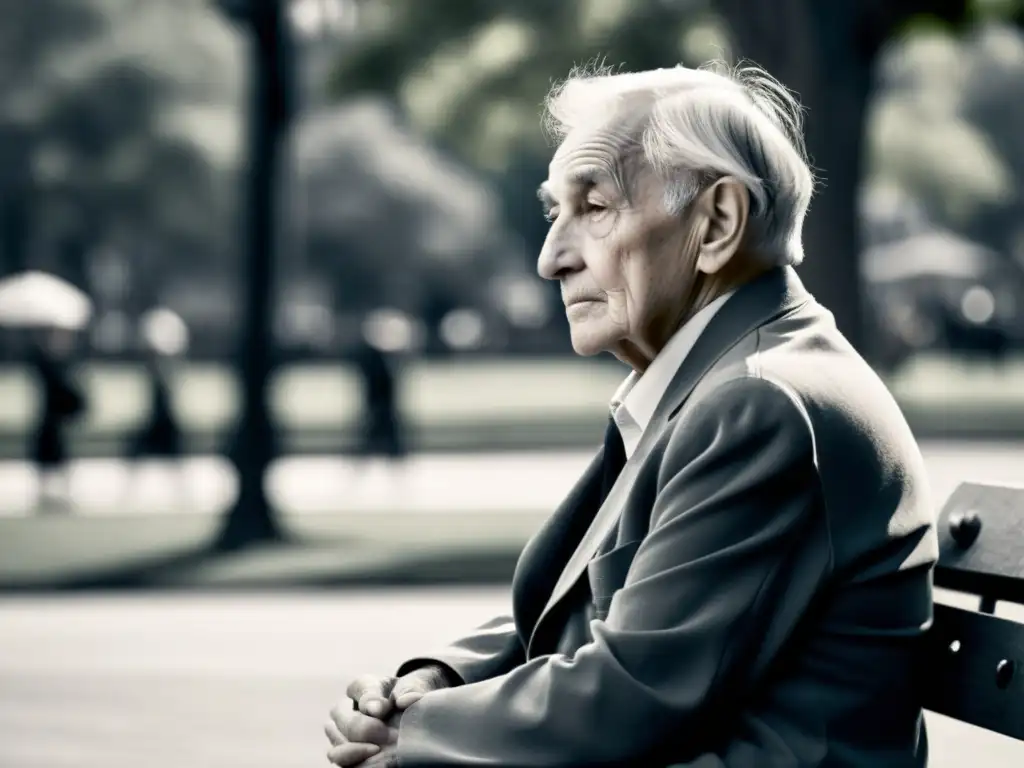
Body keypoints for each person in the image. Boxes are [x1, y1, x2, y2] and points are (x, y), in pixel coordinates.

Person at [325, 61, 939, 768]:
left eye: (594, 208)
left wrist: (417, 736)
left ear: (717, 223)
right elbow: (609, 609)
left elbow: (634, 690)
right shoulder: (723, 381)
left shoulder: (761, 402)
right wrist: (436, 682)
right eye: (555, 211)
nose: (551, 258)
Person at [29, 329, 84, 511]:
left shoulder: (62, 364)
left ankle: (63, 492)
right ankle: (44, 492)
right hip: (50, 419)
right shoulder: (48, 365)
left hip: (57, 420)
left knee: (59, 457)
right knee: (48, 456)